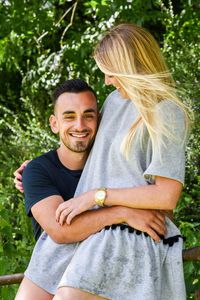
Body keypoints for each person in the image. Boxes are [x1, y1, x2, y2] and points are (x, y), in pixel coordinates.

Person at [14, 77, 168, 300]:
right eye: (69, 117)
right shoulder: (38, 170)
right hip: (53, 271)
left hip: (106, 275)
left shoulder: (116, 166)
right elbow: (60, 231)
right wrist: (122, 213)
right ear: (54, 123)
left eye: (88, 116)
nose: (80, 126)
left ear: (100, 120)